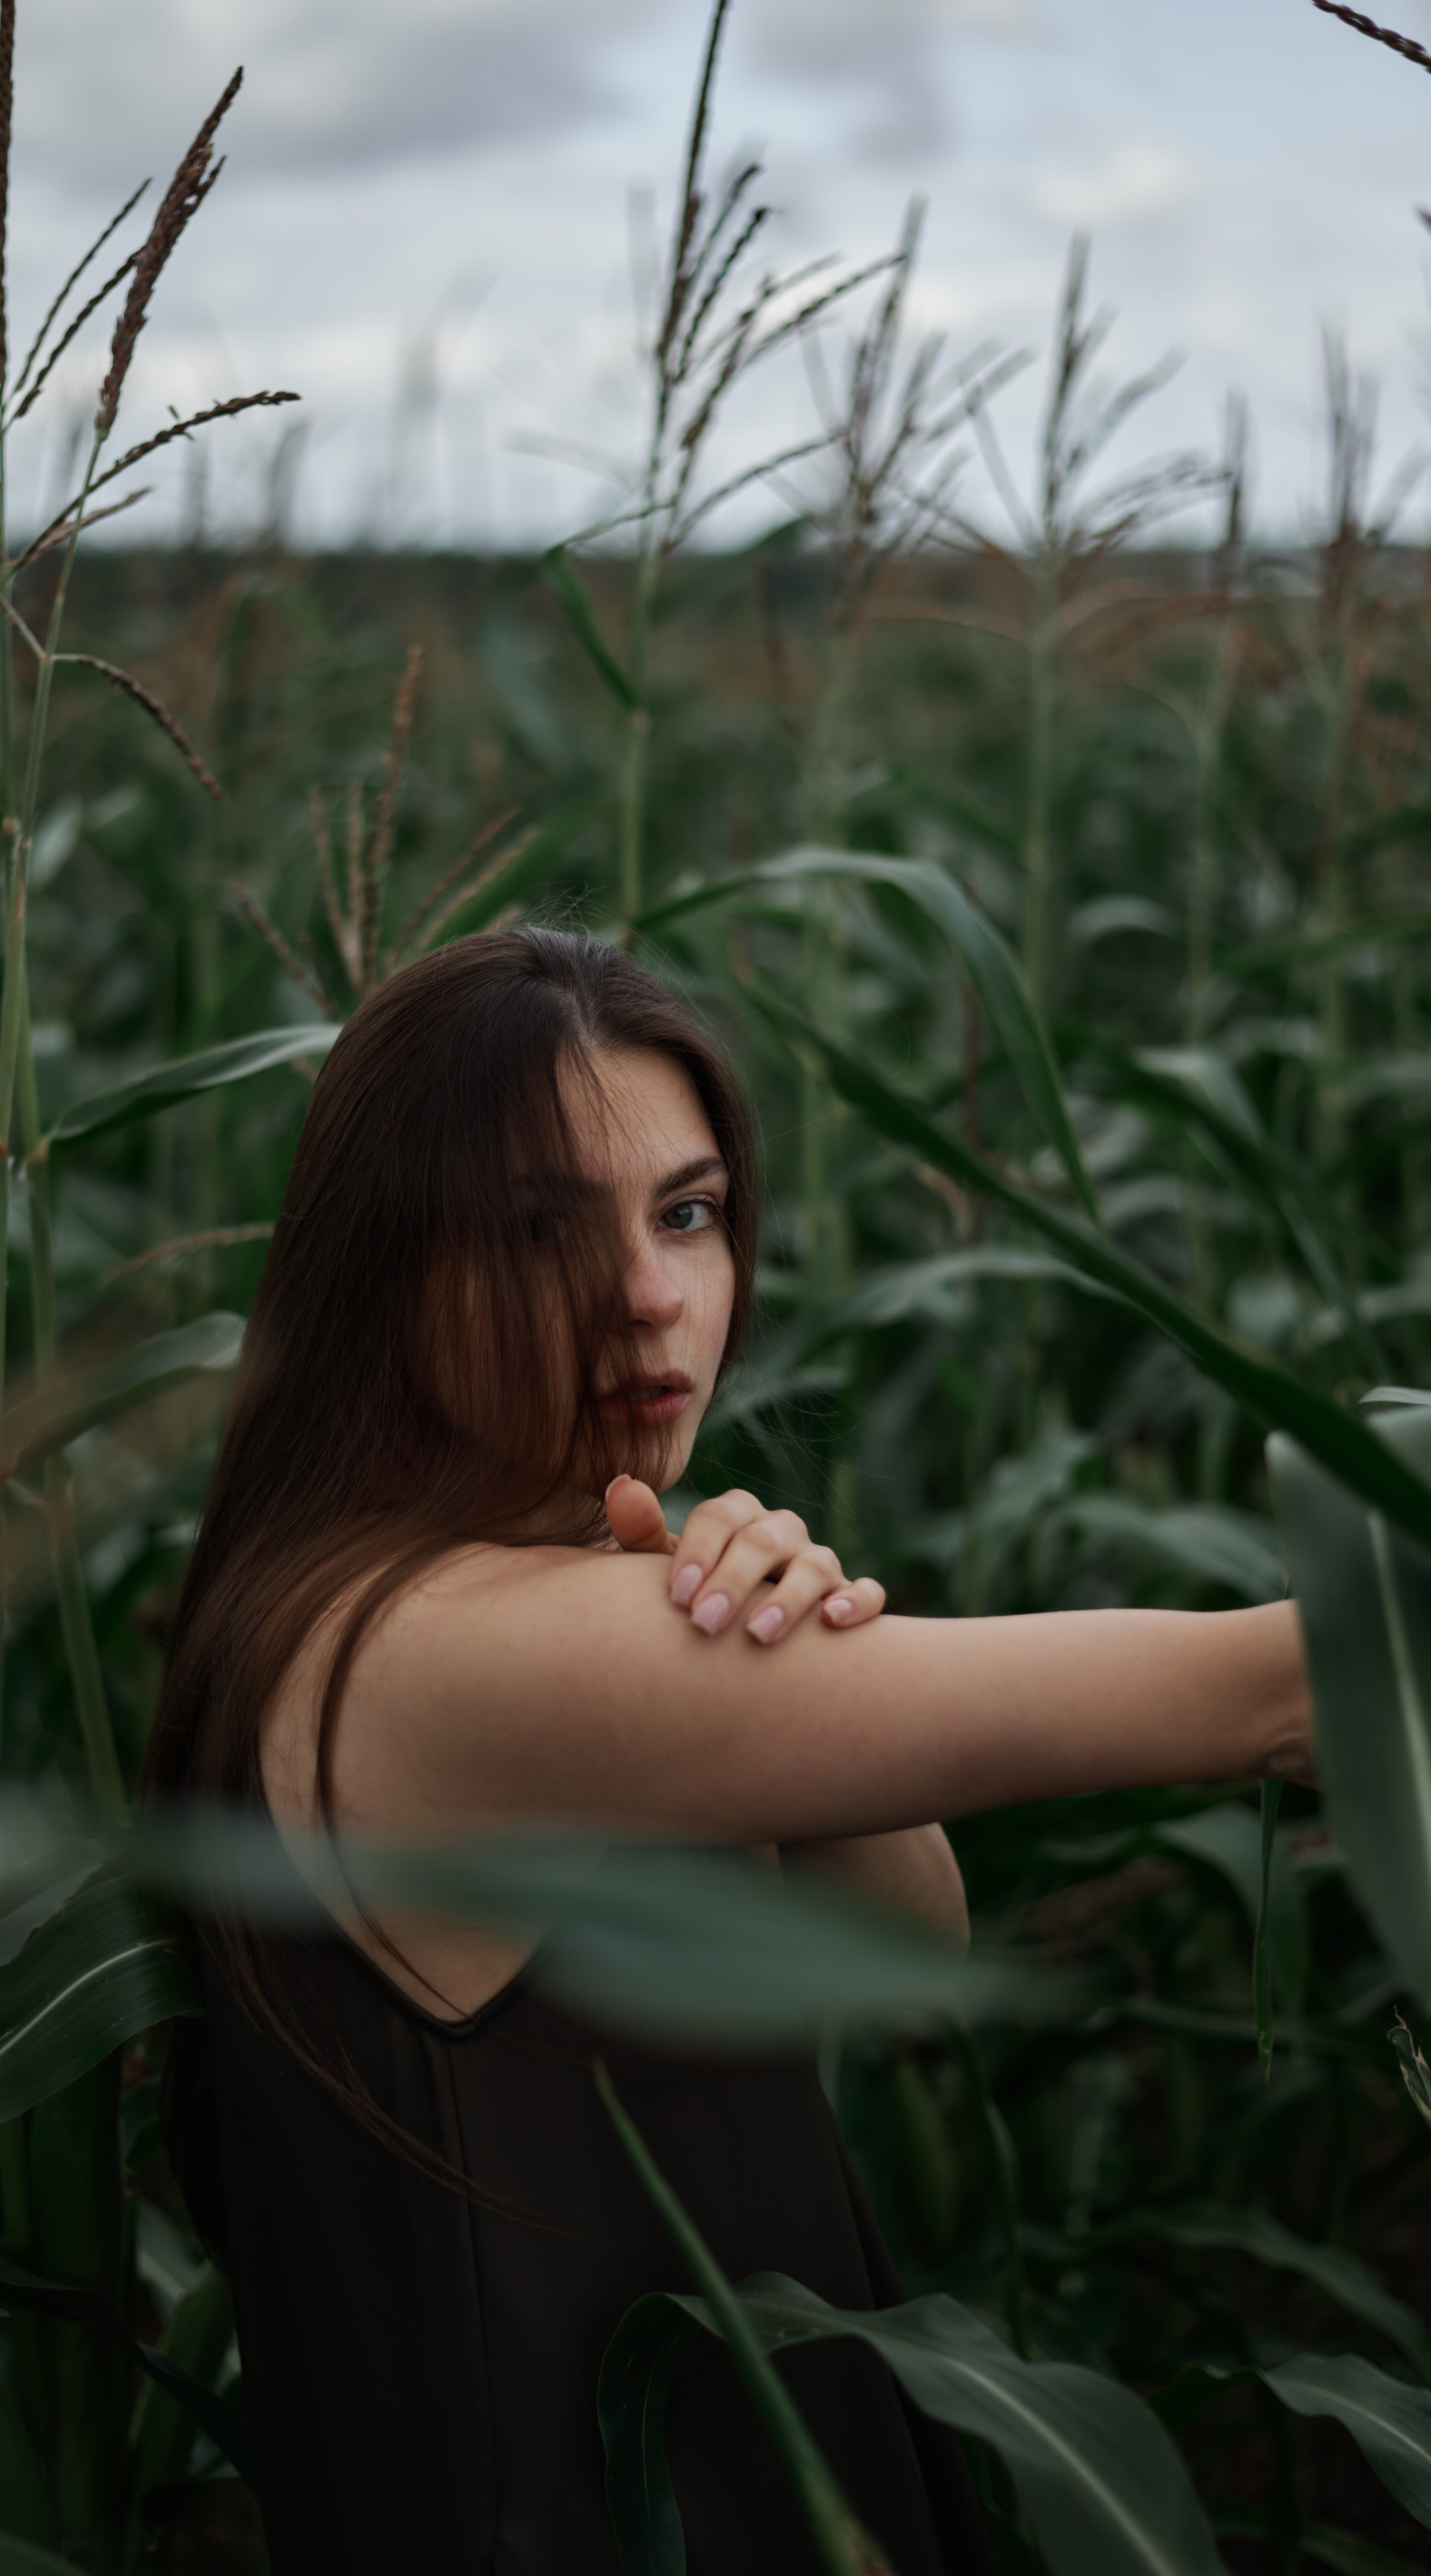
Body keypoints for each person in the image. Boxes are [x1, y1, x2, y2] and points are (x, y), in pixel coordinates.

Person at [145, 927, 1311, 2576]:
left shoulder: (405, 1597)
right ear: (386, 1265)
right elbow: (1272, 1695)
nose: (647, 1296)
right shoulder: (431, 1649)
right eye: (536, 1228)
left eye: (686, 1213)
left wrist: (786, 1677)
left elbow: (898, 1958)